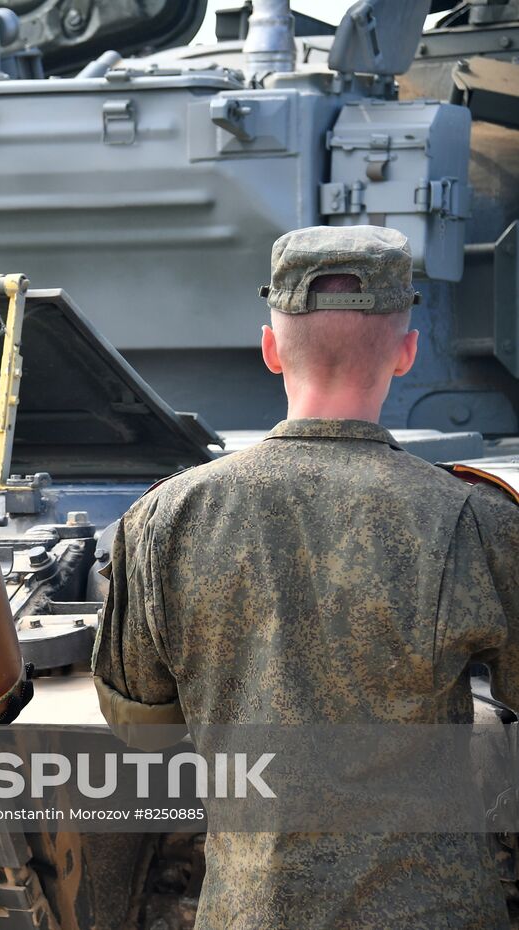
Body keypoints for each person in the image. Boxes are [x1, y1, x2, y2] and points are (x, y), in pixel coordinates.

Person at [92, 226, 519, 929]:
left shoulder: (164, 520)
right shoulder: (476, 517)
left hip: (251, 908)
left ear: (270, 349)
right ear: (407, 353)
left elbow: (144, 731)